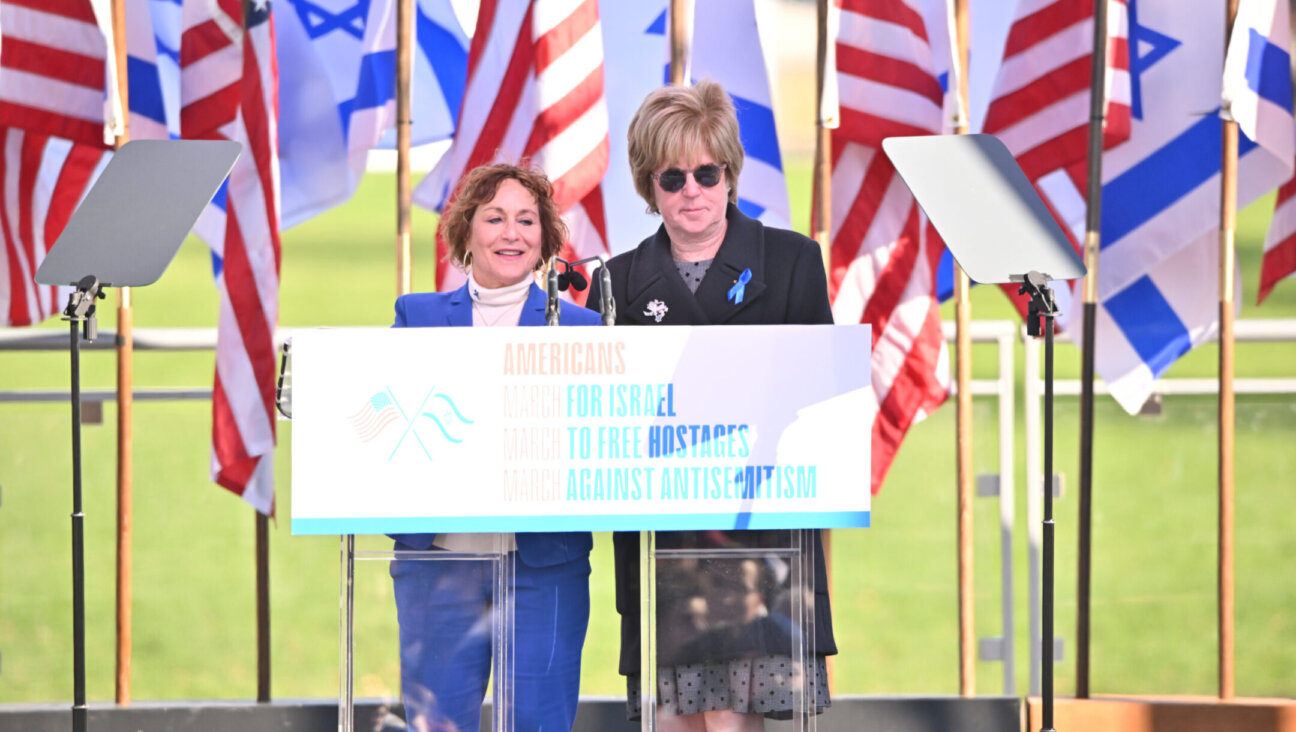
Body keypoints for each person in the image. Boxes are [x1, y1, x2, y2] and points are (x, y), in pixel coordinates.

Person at [586, 81, 837, 731]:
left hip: (760, 537)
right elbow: (604, 416)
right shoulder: (613, 282)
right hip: (662, 543)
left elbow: (823, 407)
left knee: (733, 720)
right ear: (648, 186)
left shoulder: (792, 263)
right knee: (672, 722)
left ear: (729, 175)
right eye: (673, 177)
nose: (691, 190)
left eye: (706, 172)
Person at [390, 162, 600, 732]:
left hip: (542, 567)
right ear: (467, 232)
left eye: (527, 220)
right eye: (496, 218)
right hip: (440, 566)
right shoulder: (419, 318)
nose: (512, 233)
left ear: (546, 239)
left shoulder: (582, 329)